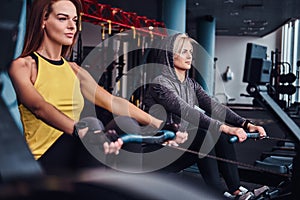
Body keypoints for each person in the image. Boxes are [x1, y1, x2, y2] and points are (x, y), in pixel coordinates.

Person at [8, 0, 187, 175]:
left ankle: (125, 189)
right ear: (43, 21)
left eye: (75, 20)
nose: (72, 26)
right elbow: (39, 107)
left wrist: (161, 125)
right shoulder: (24, 66)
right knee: (93, 124)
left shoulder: (74, 70)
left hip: (79, 148)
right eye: (63, 18)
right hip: (42, 163)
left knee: (125, 123)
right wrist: (82, 131)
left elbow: (113, 102)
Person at [143, 33, 267, 198]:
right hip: (159, 150)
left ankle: (236, 191)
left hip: (180, 146)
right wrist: (227, 128)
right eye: (184, 52)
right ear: (170, 56)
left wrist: (246, 124)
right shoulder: (160, 84)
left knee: (217, 134)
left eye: (191, 52)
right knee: (203, 134)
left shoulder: (191, 84)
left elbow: (215, 107)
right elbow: (186, 111)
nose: (190, 56)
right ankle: (217, 194)